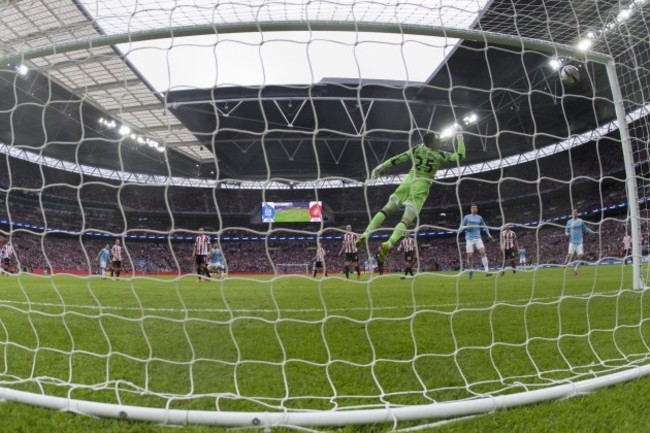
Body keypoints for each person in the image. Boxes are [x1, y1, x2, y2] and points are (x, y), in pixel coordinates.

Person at [356, 129, 466, 262]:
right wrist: (460, 137)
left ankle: (365, 233)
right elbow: (460, 156)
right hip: (420, 186)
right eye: (438, 139)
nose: (441, 140)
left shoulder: (417, 149)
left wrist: (381, 166)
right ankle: (389, 243)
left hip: (407, 181)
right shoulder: (440, 155)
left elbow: (400, 158)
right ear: (431, 144)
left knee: (385, 210)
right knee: (405, 221)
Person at [460, 204, 493, 278]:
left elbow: (485, 226)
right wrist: (466, 227)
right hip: (469, 239)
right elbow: (461, 227)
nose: (474, 209)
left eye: (475, 208)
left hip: (478, 238)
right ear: (471, 209)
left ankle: (487, 271)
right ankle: (471, 270)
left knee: (483, 252)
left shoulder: (479, 218)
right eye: (473, 208)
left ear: (477, 209)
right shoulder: (467, 217)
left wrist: (489, 234)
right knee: (470, 256)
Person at [564, 208, 596, 276]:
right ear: (571, 214)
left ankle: (575, 269)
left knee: (580, 256)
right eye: (573, 212)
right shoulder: (569, 222)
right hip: (572, 241)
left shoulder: (580, 221)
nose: (574, 213)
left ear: (577, 213)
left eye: (576, 212)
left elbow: (585, 228)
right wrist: (567, 234)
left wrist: (593, 232)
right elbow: (566, 231)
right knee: (570, 255)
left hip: (579, 241)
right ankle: (566, 261)